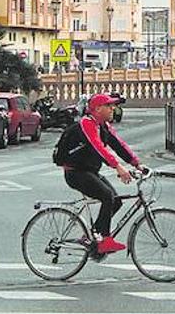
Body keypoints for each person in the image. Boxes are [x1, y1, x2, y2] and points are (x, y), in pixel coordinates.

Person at [58, 92, 145, 255]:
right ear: (98, 109)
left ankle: (91, 236)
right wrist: (118, 167)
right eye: (109, 105)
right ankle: (104, 239)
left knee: (116, 201)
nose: (113, 108)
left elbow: (119, 145)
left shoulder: (103, 125)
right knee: (107, 196)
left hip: (89, 171)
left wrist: (137, 163)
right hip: (76, 172)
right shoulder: (87, 123)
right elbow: (99, 148)